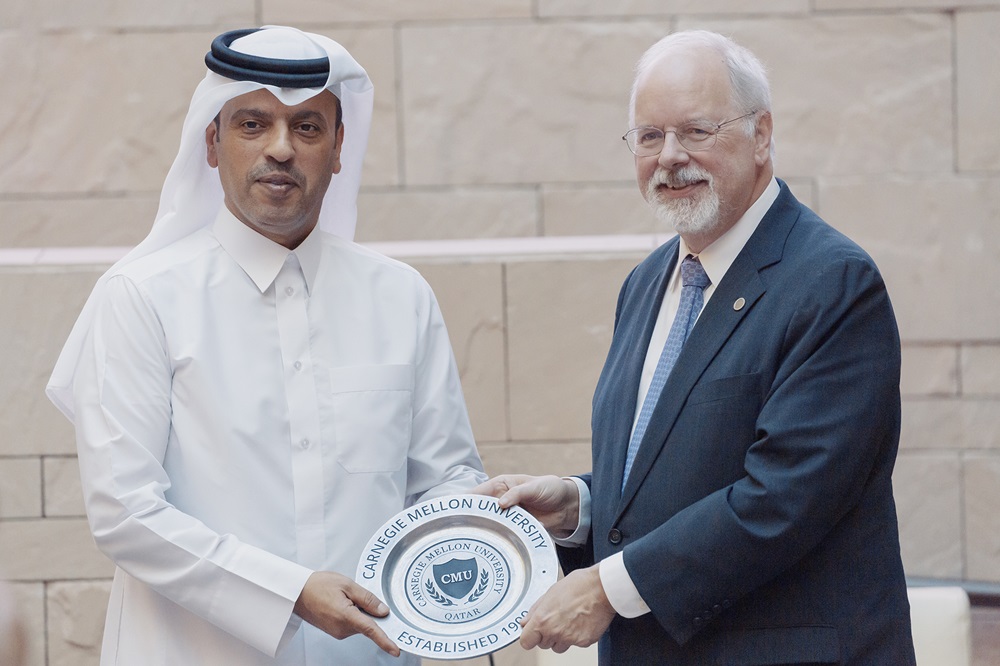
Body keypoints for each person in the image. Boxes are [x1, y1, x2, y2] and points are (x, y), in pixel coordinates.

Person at [45, 26, 486, 665]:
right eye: (253, 124)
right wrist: (290, 593)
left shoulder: (400, 295)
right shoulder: (142, 297)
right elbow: (125, 513)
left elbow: (445, 480)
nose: (280, 148)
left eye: (307, 127)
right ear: (211, 141)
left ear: (338, 148)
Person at [476, 30, 916, 664]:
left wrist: (608, 586)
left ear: (762, 134)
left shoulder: (833, 282)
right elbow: (682, 470)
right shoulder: (649, 282)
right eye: (649, 137)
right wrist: (581, 505)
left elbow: (781, 499)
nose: (669, 157)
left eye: (697, 132)